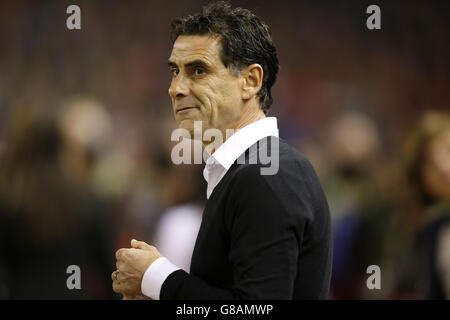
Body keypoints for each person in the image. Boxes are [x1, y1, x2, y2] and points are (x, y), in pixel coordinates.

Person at [112, 1, 332, 300]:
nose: (175, 88)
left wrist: (157, 278)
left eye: (198, 71)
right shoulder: (255, 169)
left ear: (250, 81)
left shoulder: (266, 175)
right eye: (175, 71)